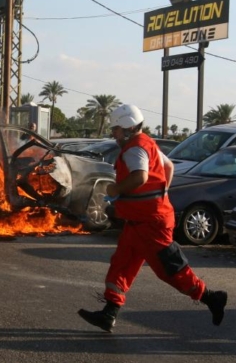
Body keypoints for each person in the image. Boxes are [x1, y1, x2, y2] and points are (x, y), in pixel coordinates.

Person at [78, 104, 227, 332]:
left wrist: (116, 189)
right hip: (138, 222)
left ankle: (210, 297)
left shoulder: (134, 149)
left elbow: (140, 177)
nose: (113, 134)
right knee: (121, 264)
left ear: (127, 127)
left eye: (116, 129)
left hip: (151, 224)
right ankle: (109, 313)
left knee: (170, 270)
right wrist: (161, 193)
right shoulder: (146, 143)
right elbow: (167, 167)